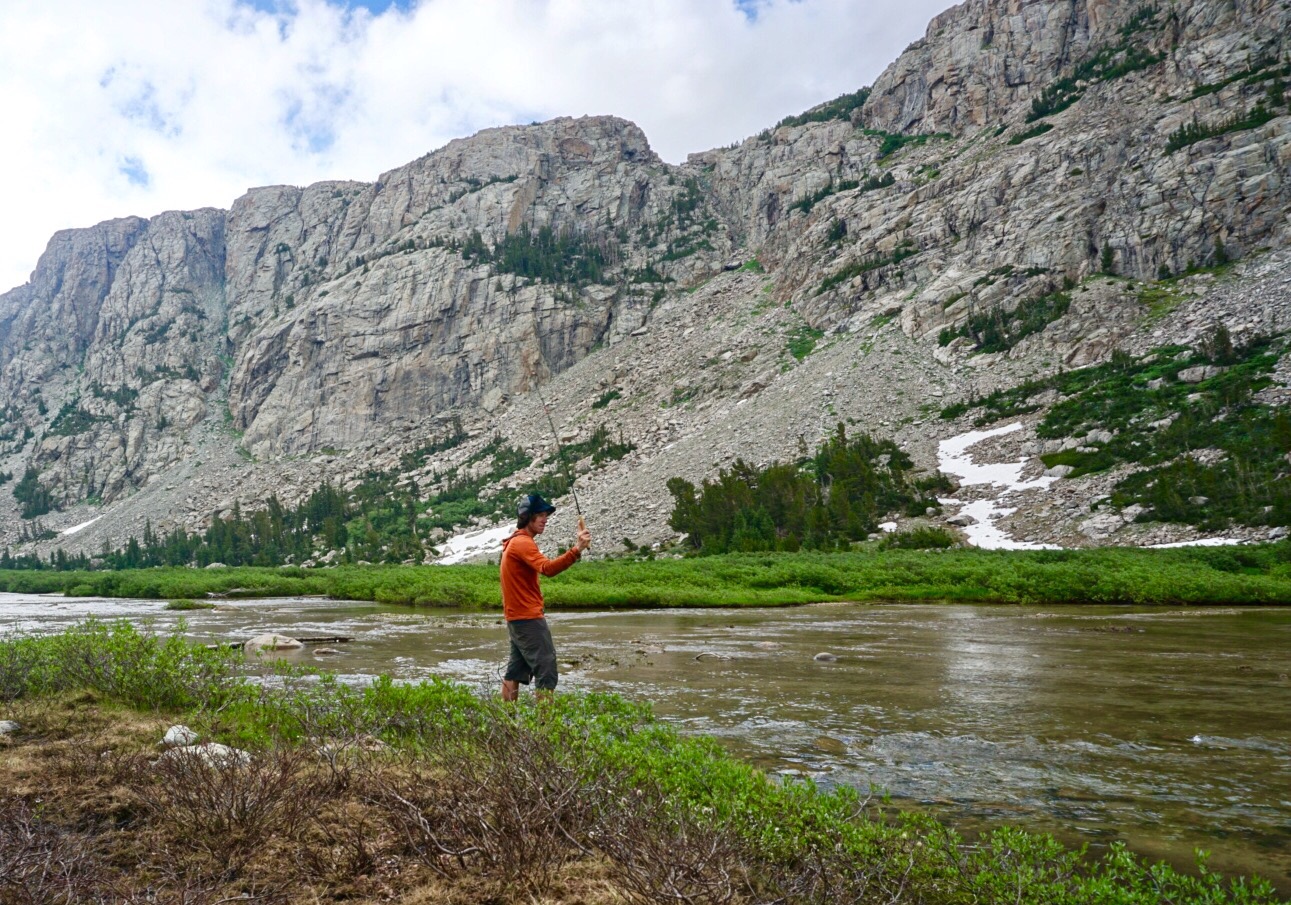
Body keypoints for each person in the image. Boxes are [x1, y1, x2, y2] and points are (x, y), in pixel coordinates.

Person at [499, 493, 592, 701]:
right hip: (528, 618)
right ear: (527, 517)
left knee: (515, 671)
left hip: (516, 618)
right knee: (546, 671)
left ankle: (506, 717)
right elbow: (547, 568)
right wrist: (577, 549)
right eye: (540, 515)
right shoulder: (523, 542)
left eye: (545, 515)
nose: (545, 519)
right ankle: (544, 721)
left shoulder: (514, 542)